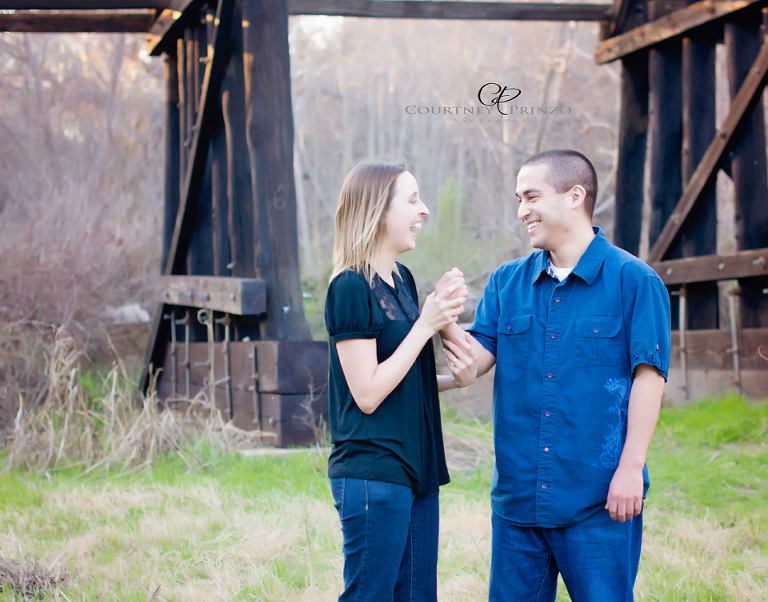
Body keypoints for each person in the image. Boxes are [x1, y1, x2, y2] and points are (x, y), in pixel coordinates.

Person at [439, 149, 671, 601]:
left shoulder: (634, 281)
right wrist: (440, 316)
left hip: (599, 499)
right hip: (518, 501)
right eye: (518, 199)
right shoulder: (506, 282)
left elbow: (650, 377)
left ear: (575, 196)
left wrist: (630, 467)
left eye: (531, 197)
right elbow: (472, 365)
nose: (521, 211)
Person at [324, 160, 477, 602]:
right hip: (375, 472)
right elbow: (369, 393)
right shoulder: (349, 286)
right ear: (377, 211)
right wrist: (426, 324)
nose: (424, 210)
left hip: (418, 469)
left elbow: (404, 376)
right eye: (412, 200)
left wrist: (453, 379)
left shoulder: (402, 281)